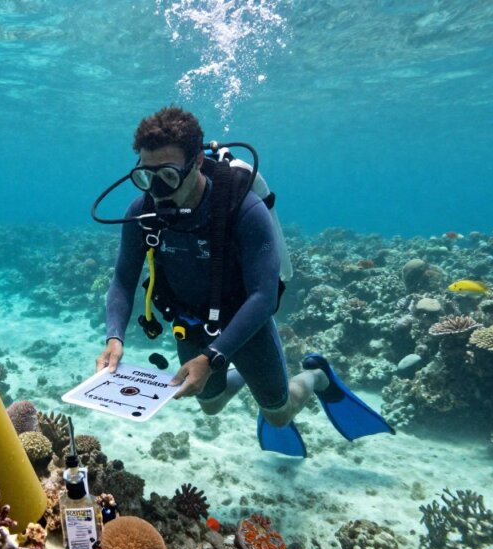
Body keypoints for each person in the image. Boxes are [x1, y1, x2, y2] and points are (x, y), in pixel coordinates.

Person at [95, 106, 392, 456]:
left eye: (169, 177)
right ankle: (240, 375)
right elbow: (123, 278)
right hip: (191, 322)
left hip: (246, 322)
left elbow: (265, 296)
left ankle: (317, 377)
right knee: (210, 405)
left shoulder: (243, 208)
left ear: (197, 164)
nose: (158, 191)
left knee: (279, 414)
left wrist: (212, 357)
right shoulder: (142, 212)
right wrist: (114, 336)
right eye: (147, 176)